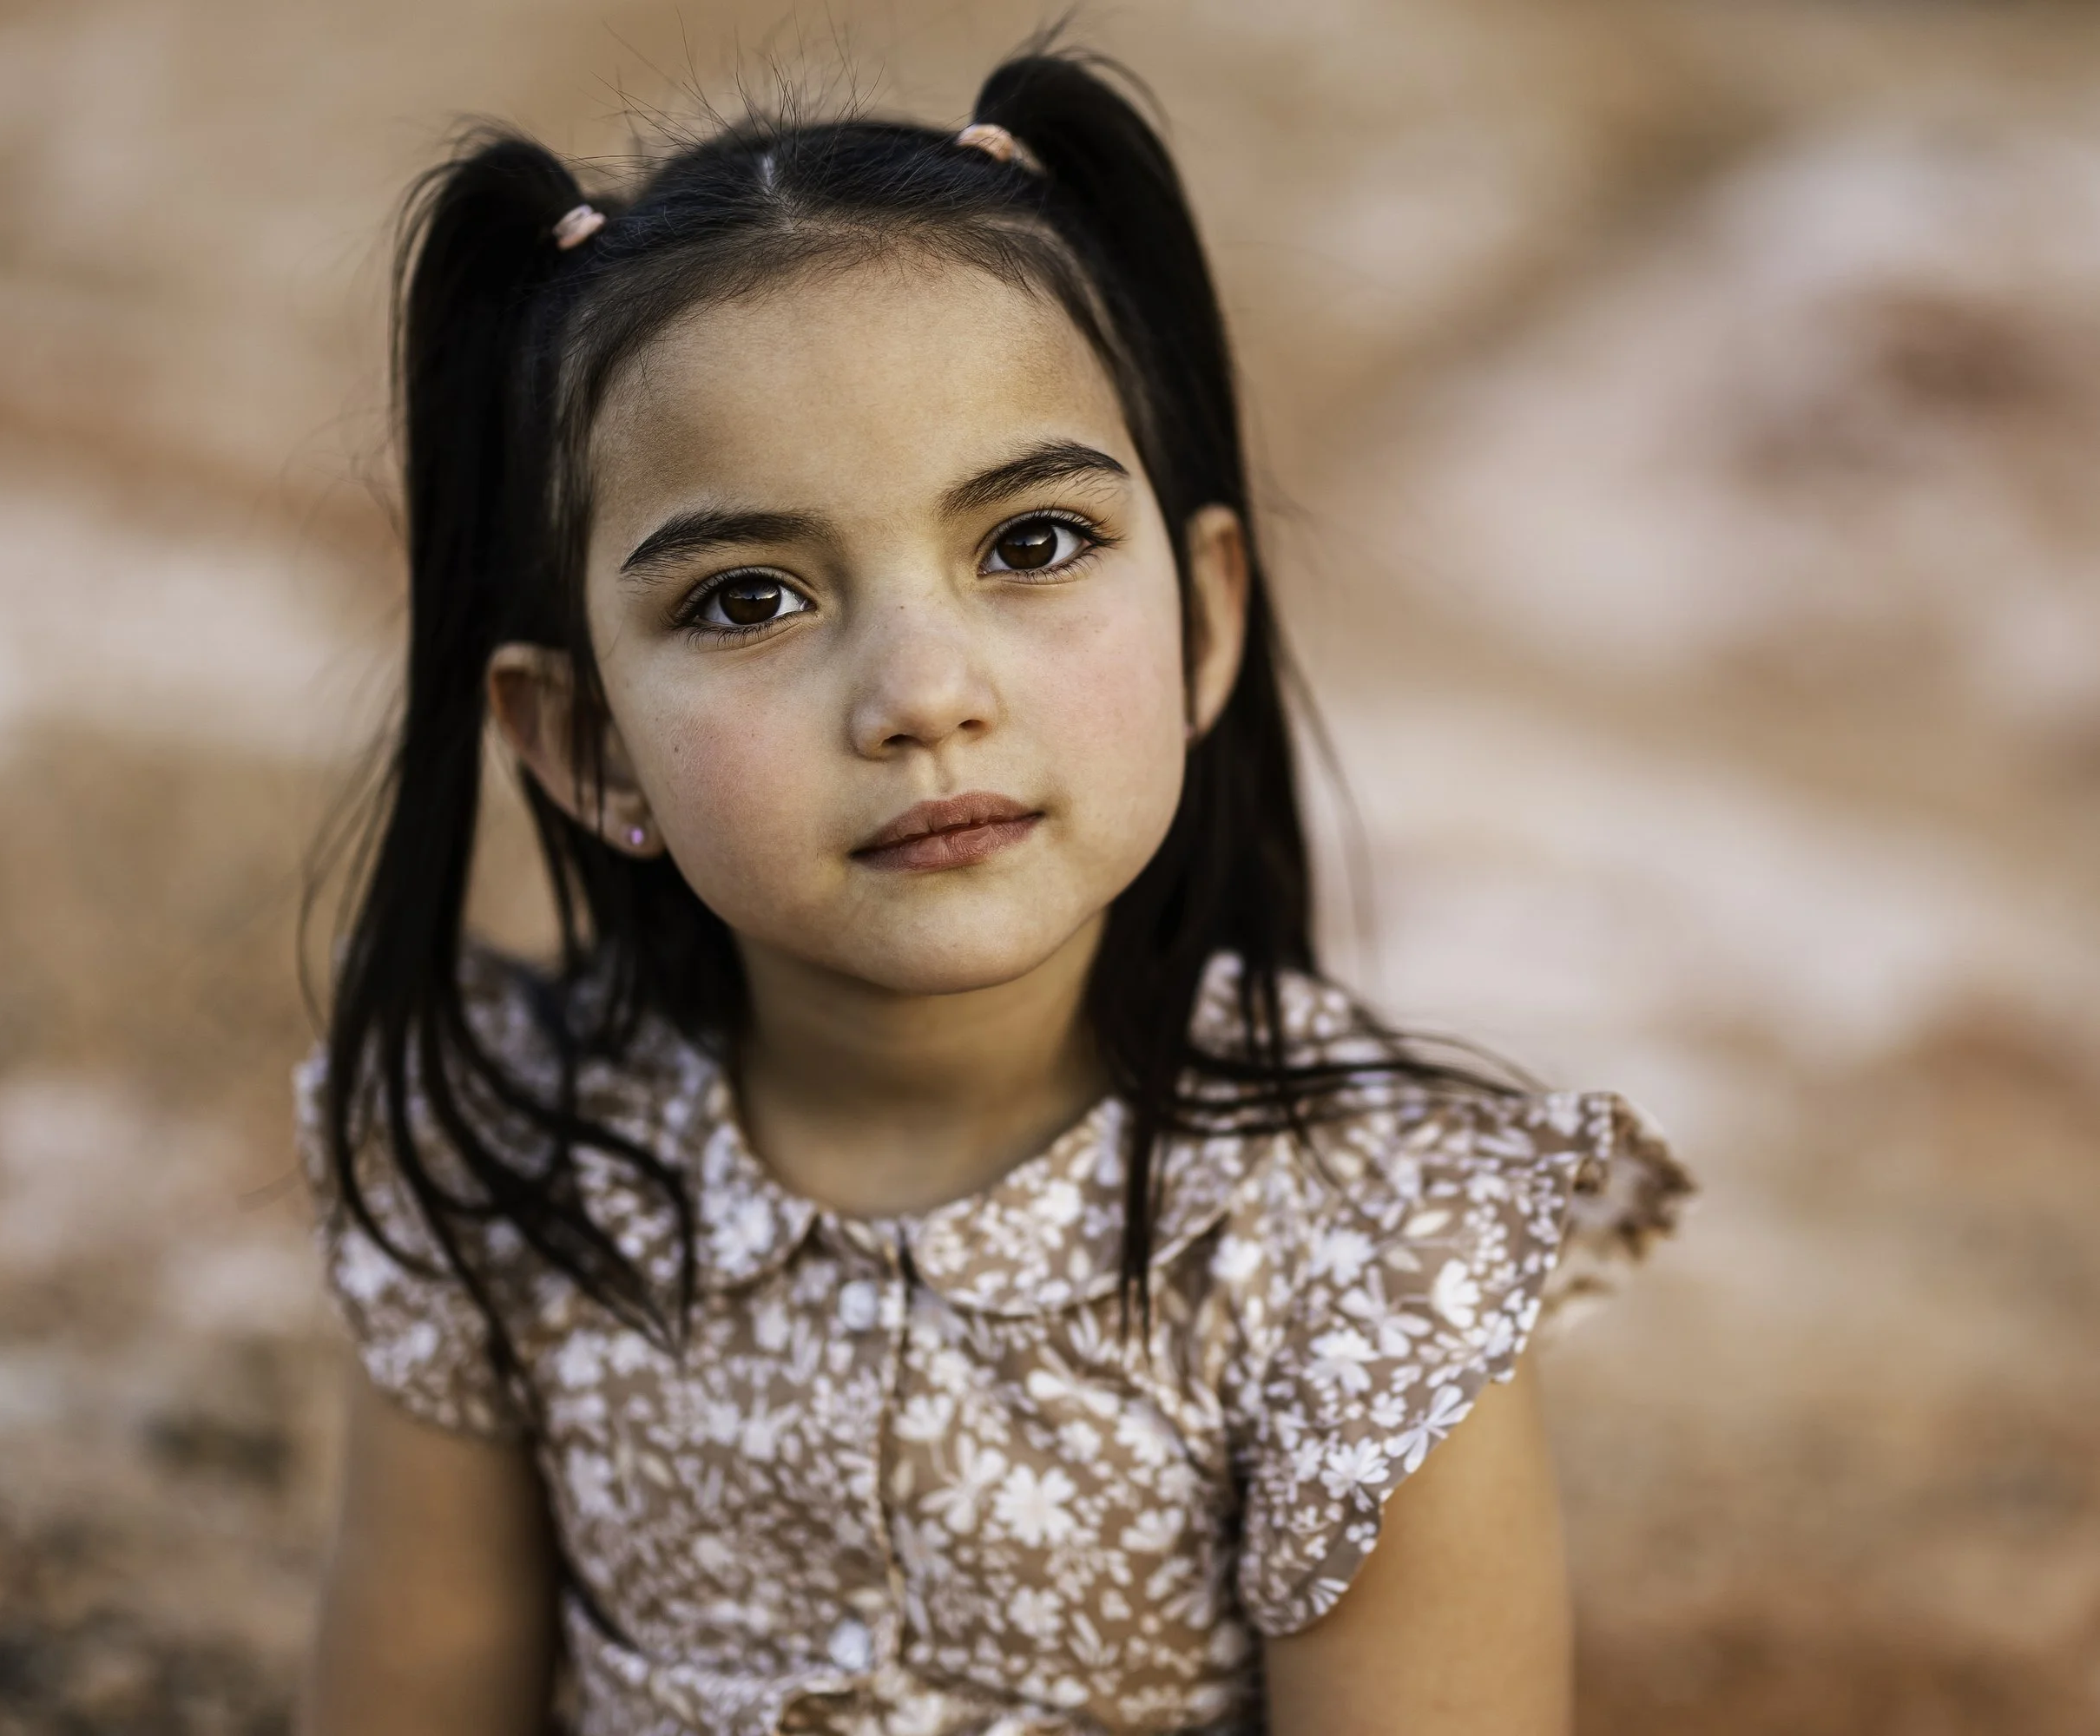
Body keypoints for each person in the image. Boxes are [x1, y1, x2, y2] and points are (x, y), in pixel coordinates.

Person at [294, 45, 1695, 1736]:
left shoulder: (1358, 1253)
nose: (921, 691)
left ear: (1201, 615)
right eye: (748, 598)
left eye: (1027, 543)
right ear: (584, 743)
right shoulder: (508, 1153)